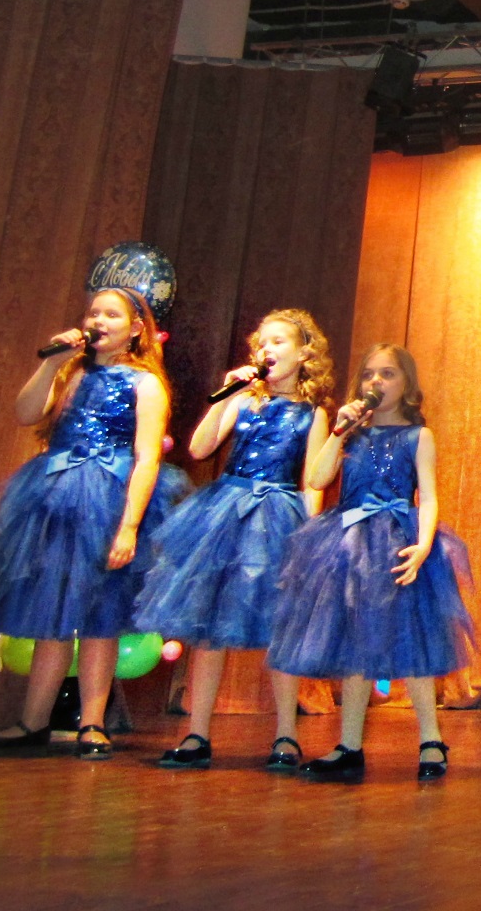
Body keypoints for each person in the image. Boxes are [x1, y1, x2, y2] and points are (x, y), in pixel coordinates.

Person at [0, 287, 187, 760]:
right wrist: (51, 364)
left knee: (100, 615)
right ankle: (33, 722)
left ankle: (92, 723)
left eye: (112, 315)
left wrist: (128, 526)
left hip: (108, 500)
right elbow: (26, 412)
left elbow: (147, 458)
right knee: (51, 613)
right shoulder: (71, 372)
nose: (99, 321)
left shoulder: (145, 384)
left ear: (136, 329)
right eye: (94, 313)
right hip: (57, 498)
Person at [134, 309, 334, 770]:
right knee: (208, 625)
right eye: (262, 342)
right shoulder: (245, 401)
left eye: (279, 341)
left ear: (304, 353)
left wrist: (306, 541)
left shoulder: (312, 413)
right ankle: (197, 733)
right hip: (225, 513)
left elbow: (313, 482)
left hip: (278, 516)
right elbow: (200, 448)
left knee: (279, 628)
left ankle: (286, 734)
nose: (267, 349)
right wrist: (227, 396)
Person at [266, 344, 473, 783]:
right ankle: (349, 745)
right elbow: (317, 478)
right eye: (369, 374)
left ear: (407, 384)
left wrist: (423, 545)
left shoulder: (418, 436)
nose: (376, 382)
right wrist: (338, 432)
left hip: (398, 540)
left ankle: (431, 739)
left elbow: (428, 496)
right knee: (354, 641)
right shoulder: (351, 433)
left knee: (411, 638)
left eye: (388, 374)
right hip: (348, 543)